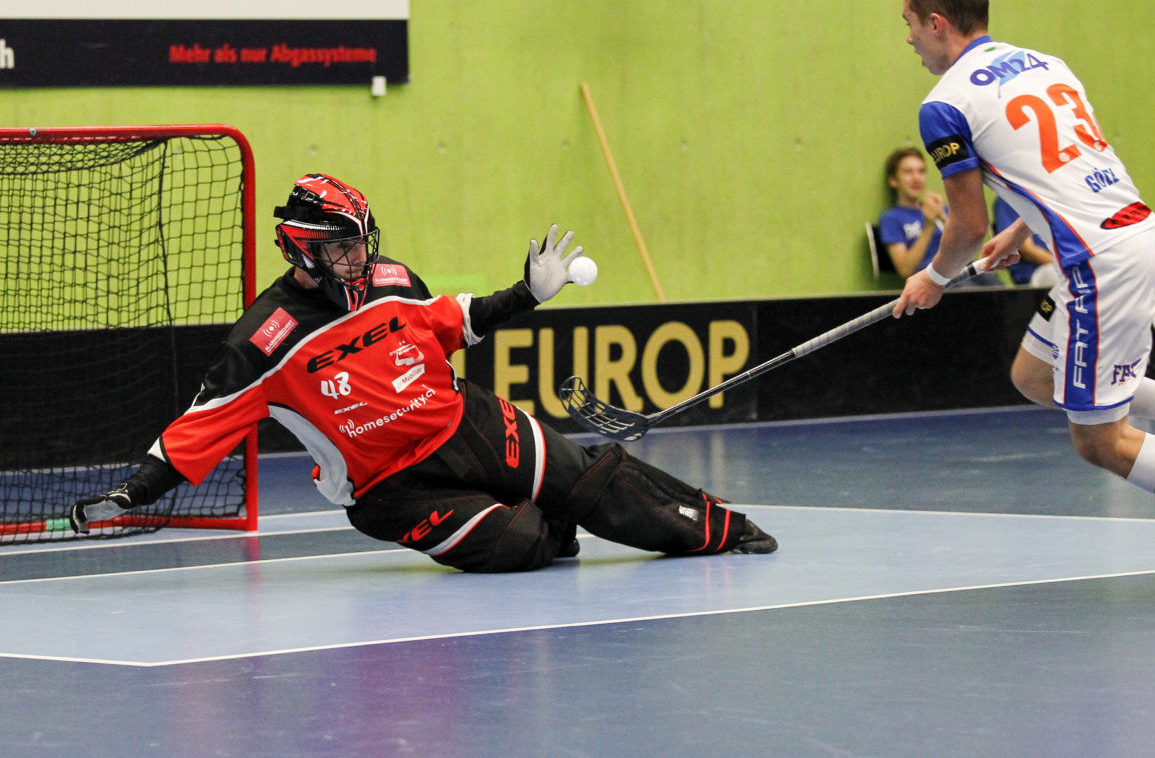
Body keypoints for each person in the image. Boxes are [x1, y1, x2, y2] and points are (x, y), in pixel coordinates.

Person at [69, 174, 776, 572]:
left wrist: (526, 292)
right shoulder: (263, 342)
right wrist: (130, 495)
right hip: (388, 488)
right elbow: (197, 430)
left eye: (362, 243)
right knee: (525, 542)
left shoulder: (392, 279)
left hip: (465, 421)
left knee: (591, 478)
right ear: (304, 251)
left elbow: (454, 321)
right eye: (345, 249)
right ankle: (550, 522)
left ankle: (720, 526)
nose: (361, 258)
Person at [892, 0, 1155, 594]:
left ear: (937, 22)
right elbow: (1064, 166)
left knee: (1099, 441)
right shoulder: (1047, 65)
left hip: (1100, 264)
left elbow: (965, 229)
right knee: (1035, 377)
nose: (907, 37)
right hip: (1129, 235)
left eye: (908, 23)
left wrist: (931, 278)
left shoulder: (943, 105)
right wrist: (1025, 230)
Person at [878, 145, 1002, 285]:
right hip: (932, 279)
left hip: (962, 269)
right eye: (908, 172)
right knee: (966, 289)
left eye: (921, 171)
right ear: (893, 180)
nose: (916, 178)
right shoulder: (892, 218)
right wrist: (929, 226)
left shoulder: (939, 210)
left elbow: (968, 249)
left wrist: (943, 218)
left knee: (997, 287)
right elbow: (905, 269)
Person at [992, 196, 1056, 287]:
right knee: (1056, 274)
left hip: (1060, 268)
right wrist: (1067, 266)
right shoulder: (1009, 199)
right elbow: (1028, 251)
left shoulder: (1051, 199)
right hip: (1035, 274)